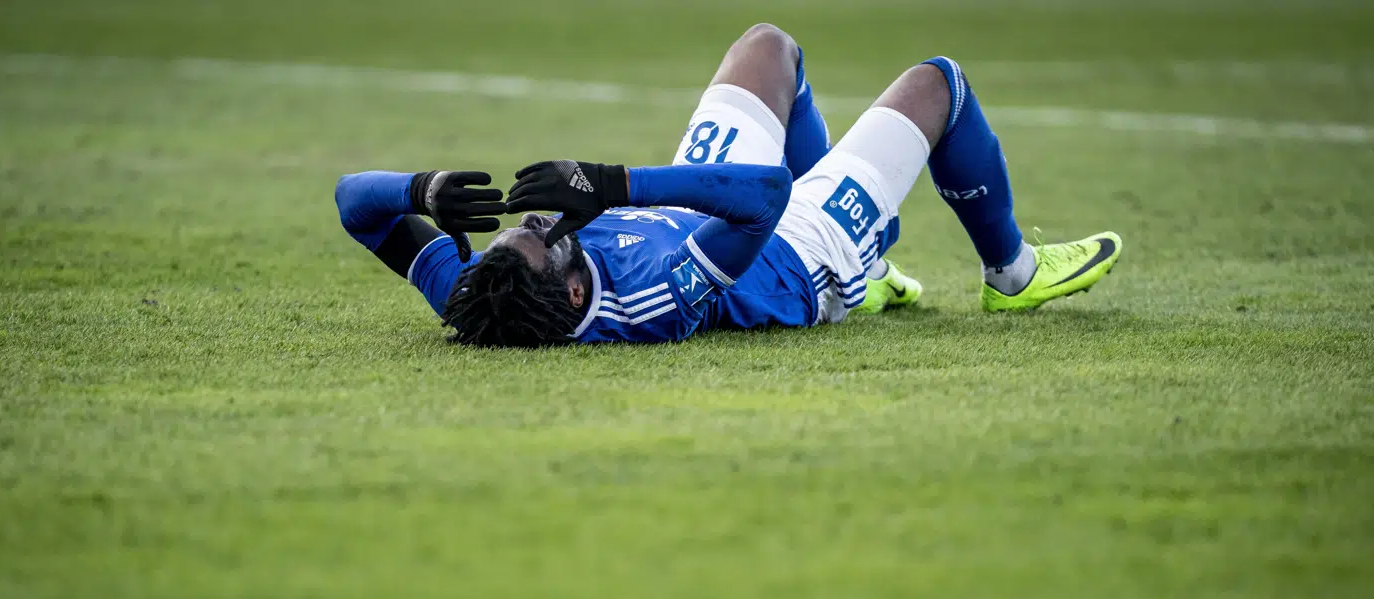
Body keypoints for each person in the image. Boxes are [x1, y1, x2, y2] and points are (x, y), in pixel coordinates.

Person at [335, 24, 1122, 347]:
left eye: (523, 228)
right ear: (578, 295)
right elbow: (765, 198)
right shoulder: (653, 298)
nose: (537, 221)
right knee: (937, 83)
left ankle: (883, 265)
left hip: (694, 209)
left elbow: (351, 203)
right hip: (794, 247)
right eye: (547, 237)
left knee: (769, 50)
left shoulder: (485, 294)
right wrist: (611, 184)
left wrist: (422, 191)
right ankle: (1010, 274)